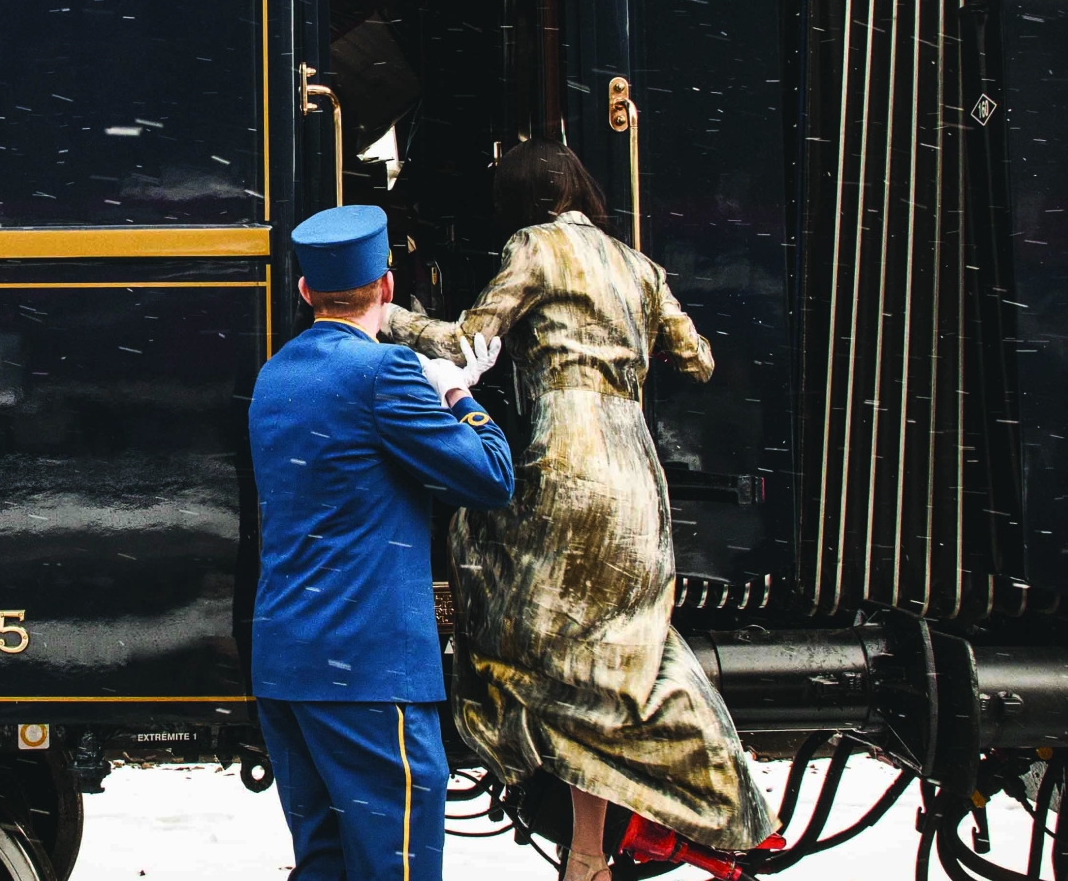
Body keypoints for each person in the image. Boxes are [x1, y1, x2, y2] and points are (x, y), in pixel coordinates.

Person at [381, 140, 777, 881]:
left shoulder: (533, 246)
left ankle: (530, 770)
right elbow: (700, 361)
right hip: (635, 473)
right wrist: (628, 344)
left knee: (518, 628)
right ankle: (594, 850)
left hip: (566, 456)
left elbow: (473, 339)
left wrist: (398, 320)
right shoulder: (638, 264)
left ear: (519, 201)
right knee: (613, 656)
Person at [248, 204, 516, 881]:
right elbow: (491, 478)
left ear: (307, 292)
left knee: (325, 866)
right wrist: (456, 392)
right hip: (367, 672)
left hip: (288, 666)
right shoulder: (386, 375)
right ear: (388, 288)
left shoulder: (273, 378)